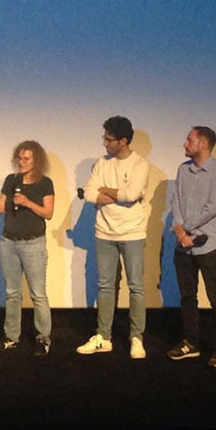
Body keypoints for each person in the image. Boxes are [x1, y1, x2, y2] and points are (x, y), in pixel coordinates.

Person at [77, 115, 151, 358]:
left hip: (132, 233)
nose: (105, 143)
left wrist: (106, 191)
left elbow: (132, 194)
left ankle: (136, 338)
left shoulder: (140, 164)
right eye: (105, 138)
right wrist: (118, 194)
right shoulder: (102, 163)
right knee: (105, 285)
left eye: (109, 139)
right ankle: (104, 337)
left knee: (135, 286)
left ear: (123, 140)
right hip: (104, 233)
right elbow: (89, 194)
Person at [166, 126, 216, 368]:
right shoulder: (183, 170)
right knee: (187, 296)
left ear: (202, 144)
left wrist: (185, 228)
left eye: (189, 140)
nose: (185, 144)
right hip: (184, 246)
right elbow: (176, 201)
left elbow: (213, 207)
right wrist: (180, 229)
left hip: (209, 245)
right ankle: (191, 342)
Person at [0, 140, 56, 354]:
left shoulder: (45, 183)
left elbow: (48, 213)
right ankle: (11, 336)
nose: (21, 162)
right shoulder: (11, 180)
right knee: (12, 293)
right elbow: (1, 207)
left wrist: (27, 203)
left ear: (37, 160)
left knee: (38, 294)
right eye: (19, 158)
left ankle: (43, 339)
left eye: (26, 159)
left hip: (33, 244)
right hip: (9, 243)